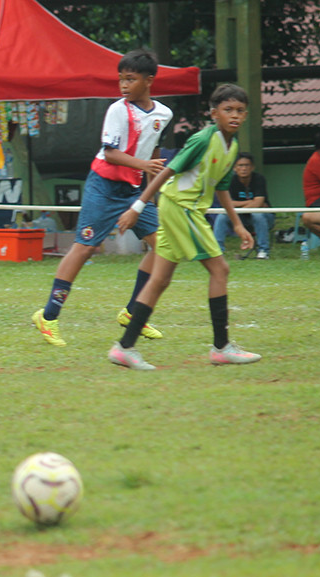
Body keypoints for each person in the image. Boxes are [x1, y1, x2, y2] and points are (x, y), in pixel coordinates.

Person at [109, 83, 261, 371]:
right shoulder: (203, 139)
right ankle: (221, 348)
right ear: (214, 113)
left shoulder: (233, 147)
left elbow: (221, 188)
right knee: (220, 269)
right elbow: (167, 171)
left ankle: (124, 348)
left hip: (182, 209)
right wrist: (137, 207)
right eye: (228, 110)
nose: (235, 116)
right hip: (181, 208)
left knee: (160, 280)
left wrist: (239, 225)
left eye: (240, 111)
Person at [32, 49, 172, 347]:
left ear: (149, 81)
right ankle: (48, 316)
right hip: (104, 188)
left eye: (130, 80)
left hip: (134, 190)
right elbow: (110, 152)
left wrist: (151, 194)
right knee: (85, 248)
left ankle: (134, 313)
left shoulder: (164, 114)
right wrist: (145, 166)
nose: (123, 85)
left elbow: (153, 152)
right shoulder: (117, 110)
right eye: (121, 79)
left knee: (164, 247)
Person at [212, 152, 274, 259]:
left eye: (247, 165)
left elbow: (258, 203)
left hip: (263, 218)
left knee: (257, 215)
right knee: (222, 216)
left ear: (252, 167)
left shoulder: (259, 179)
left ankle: (263, 251)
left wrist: (238, 207)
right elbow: (227, 203)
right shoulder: (230, 180)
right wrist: (250, 203)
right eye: (240, 165)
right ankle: (217, 251)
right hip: (239, 217)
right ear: (235, 168)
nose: (244, 168)